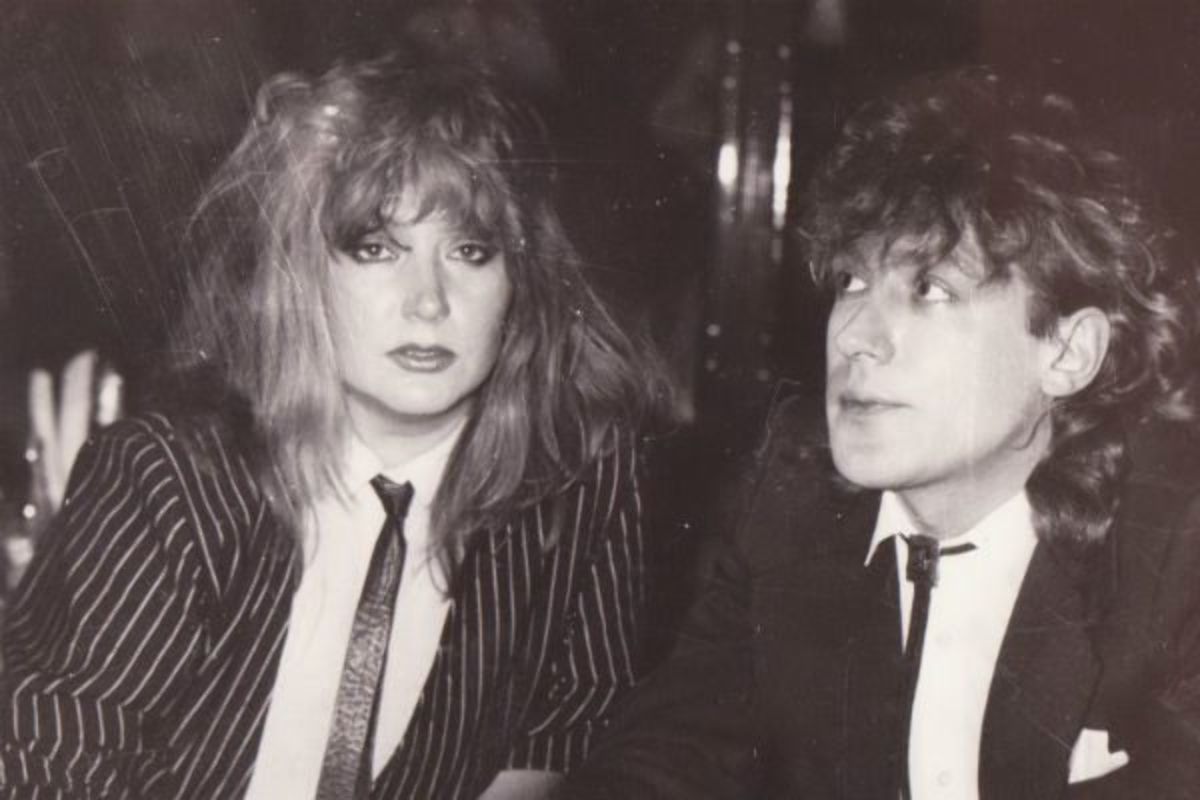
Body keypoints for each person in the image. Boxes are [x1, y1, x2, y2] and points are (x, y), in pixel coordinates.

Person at [0, 49, 664, 799]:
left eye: (470, 252)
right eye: (376, 249)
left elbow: (566, 724)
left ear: (520, 281)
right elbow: (57, 753)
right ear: (301, 272)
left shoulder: (580, 479)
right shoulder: (166, 480)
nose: (428, 301)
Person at [561, 66, 1200, 799]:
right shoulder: (795, 497)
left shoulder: (1175, 548)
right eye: (851, 282)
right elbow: (670, 754)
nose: (855, 336)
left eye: (929, 289)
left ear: (1067, 352)